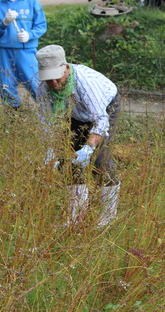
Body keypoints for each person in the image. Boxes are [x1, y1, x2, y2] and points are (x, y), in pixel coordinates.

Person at [36, 45, 121, 227]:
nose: (53, 84)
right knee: (68, 161)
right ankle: (76, 215)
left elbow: (100, 119)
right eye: (48, 79)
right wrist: (50, 149)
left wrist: (89, 148)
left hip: (105, 108)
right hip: (75, 113)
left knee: (100, 161)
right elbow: (47, 121)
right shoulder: (43, 88)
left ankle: (107, 217)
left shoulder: (85, 83)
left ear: (66, 68)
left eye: (56, 78)